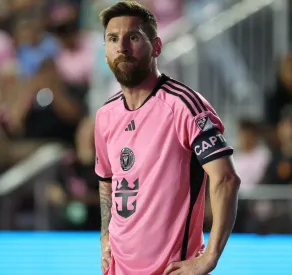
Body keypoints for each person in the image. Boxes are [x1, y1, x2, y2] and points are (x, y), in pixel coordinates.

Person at [94, 1, 241, 275]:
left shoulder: (184, 105)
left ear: (157, 47)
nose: (122, 47)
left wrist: (210, 257)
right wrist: (106, 238)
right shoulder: (105, 115)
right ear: (104, 52)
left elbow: (226, 179)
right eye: (113, 39)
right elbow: (107, 179)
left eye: (133, 37)